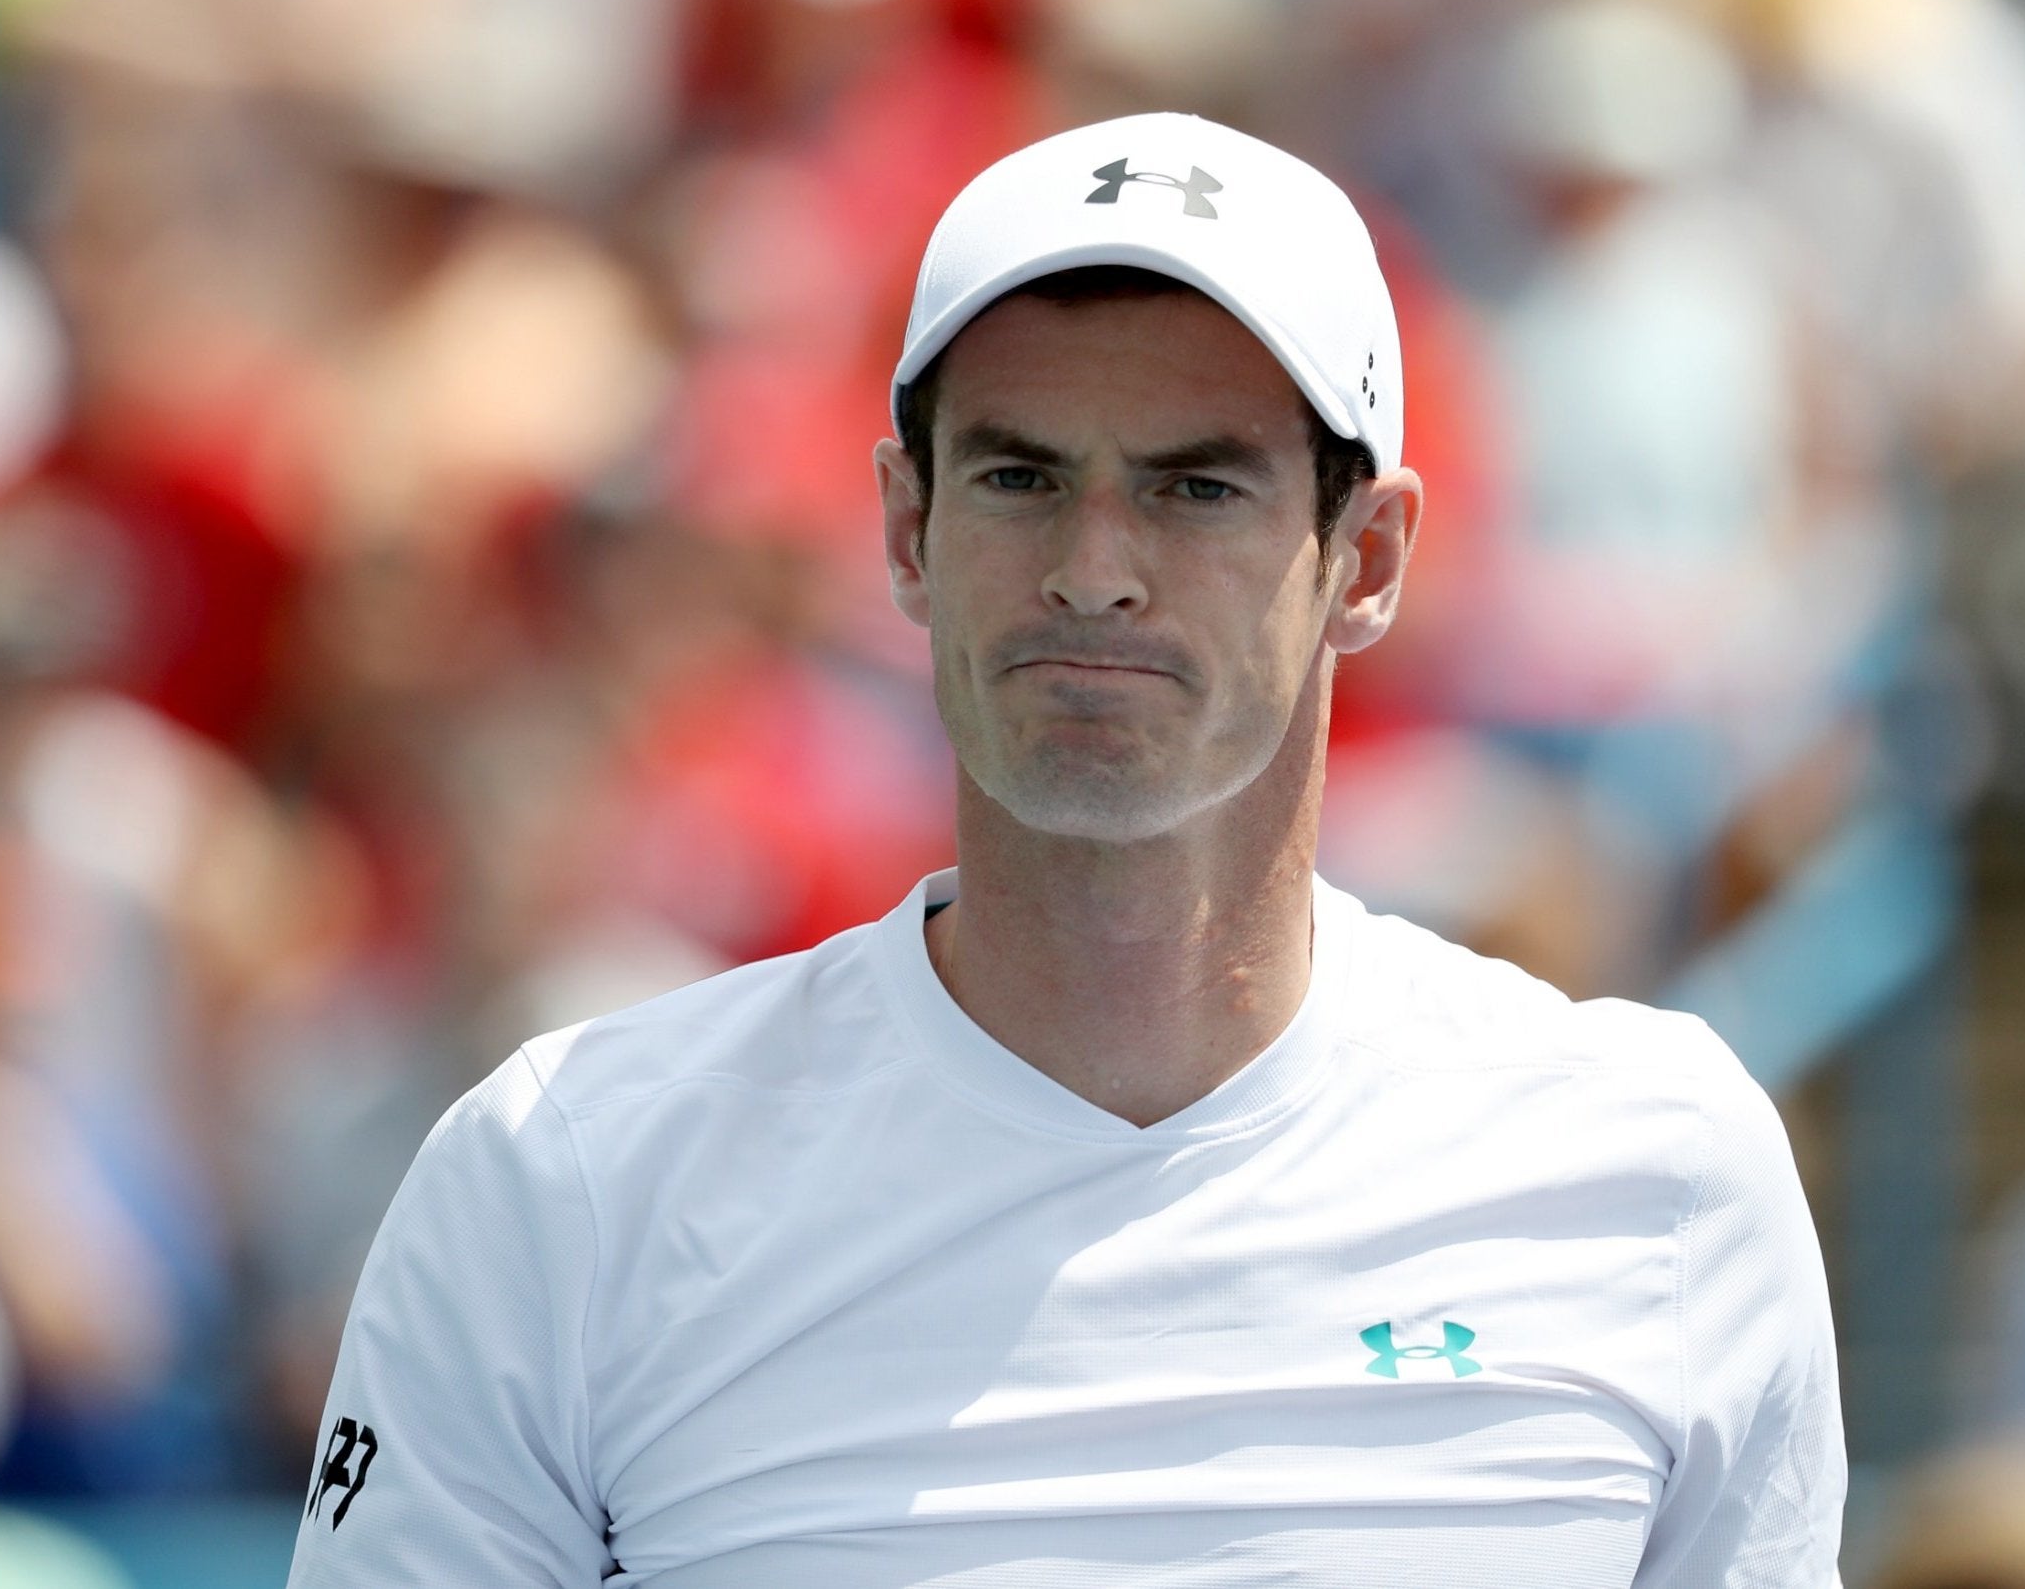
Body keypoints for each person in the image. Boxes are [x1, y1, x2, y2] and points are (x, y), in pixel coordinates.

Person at [284, 113, 1845, 1587]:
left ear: (1363, 559)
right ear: (907, 531)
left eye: (1195, 487)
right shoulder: (562, 1176)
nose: (1095, 571)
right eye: (1022, 477)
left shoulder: (1658, 1167)